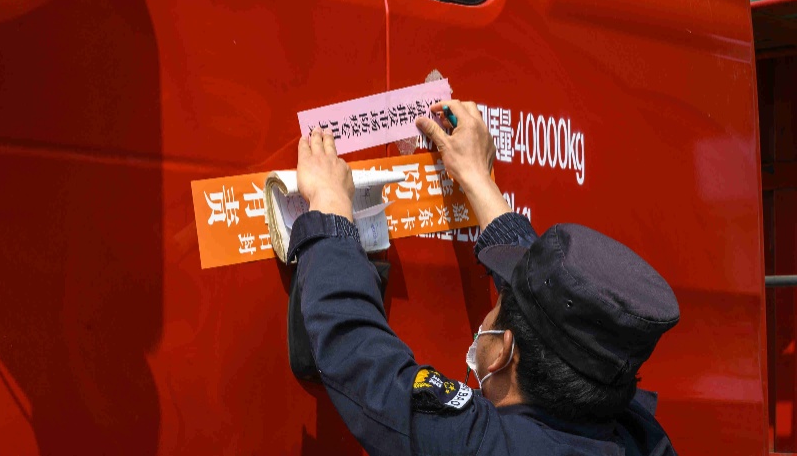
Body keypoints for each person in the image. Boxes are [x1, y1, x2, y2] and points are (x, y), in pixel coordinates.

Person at [289, 100, 680, 456]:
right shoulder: (637, 435)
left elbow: (362, 359)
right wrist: (478, 177)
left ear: (504, 352)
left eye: (500, 305)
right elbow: (559, 301)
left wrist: (329, 206)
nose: (488, 315)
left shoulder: (486, 447)